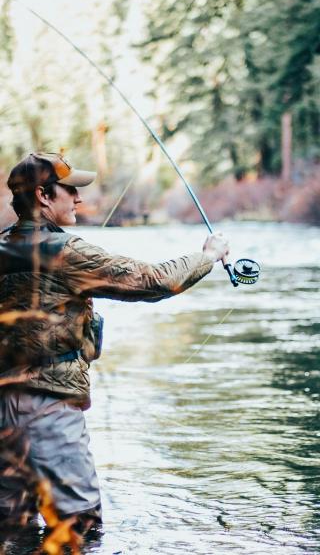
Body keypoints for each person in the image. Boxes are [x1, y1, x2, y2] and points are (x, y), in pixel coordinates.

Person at [0, 152, 229, 532]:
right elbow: (154, 281)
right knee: (78, 530)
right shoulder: (66, 252)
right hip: (48, 410)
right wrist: (207, 256)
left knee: (10, 531)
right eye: (70, 190)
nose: (78, 199)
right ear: (43, 195)